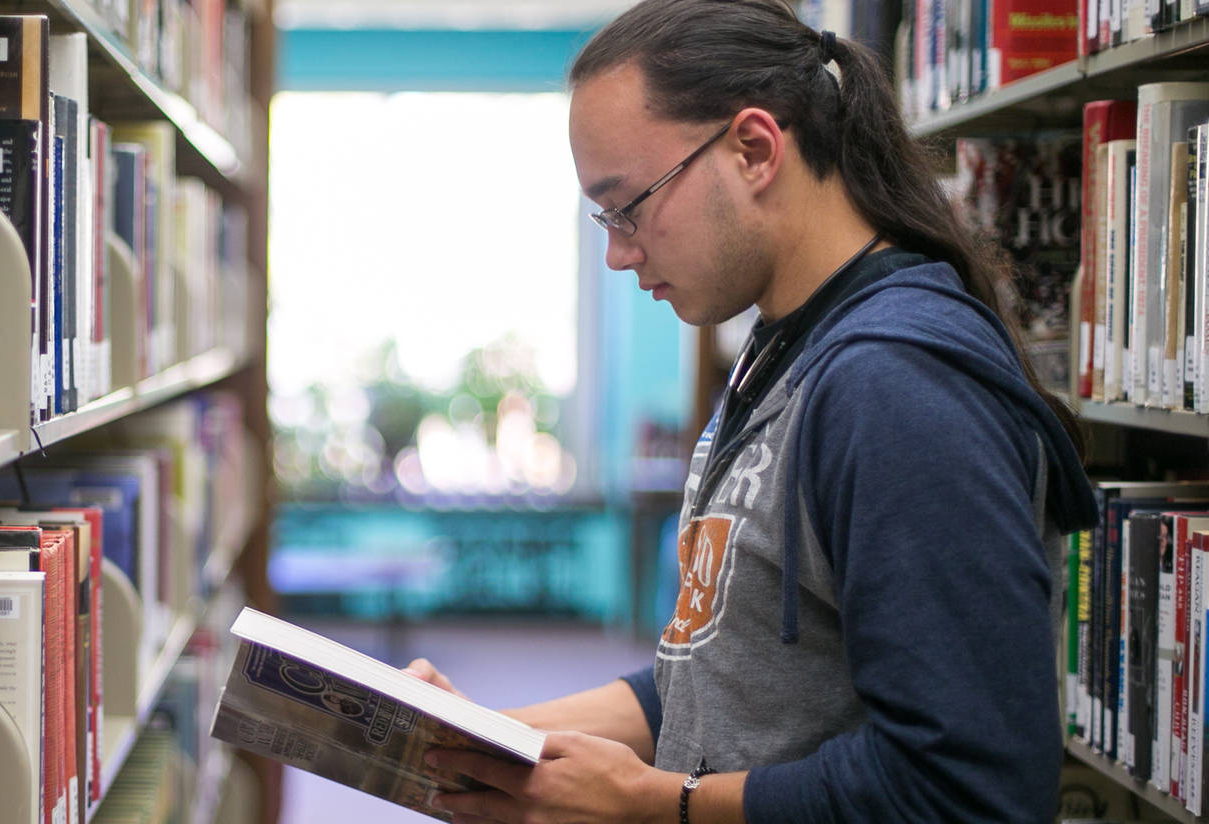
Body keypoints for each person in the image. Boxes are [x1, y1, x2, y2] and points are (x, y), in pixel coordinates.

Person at [402, 0, 1100, 821]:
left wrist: (659, 806)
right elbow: (721, 673)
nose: (617, 253)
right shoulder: (780, 353)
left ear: (756, 150)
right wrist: (489, 735)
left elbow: (969, 787)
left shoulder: (896, 388)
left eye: (628, 206)